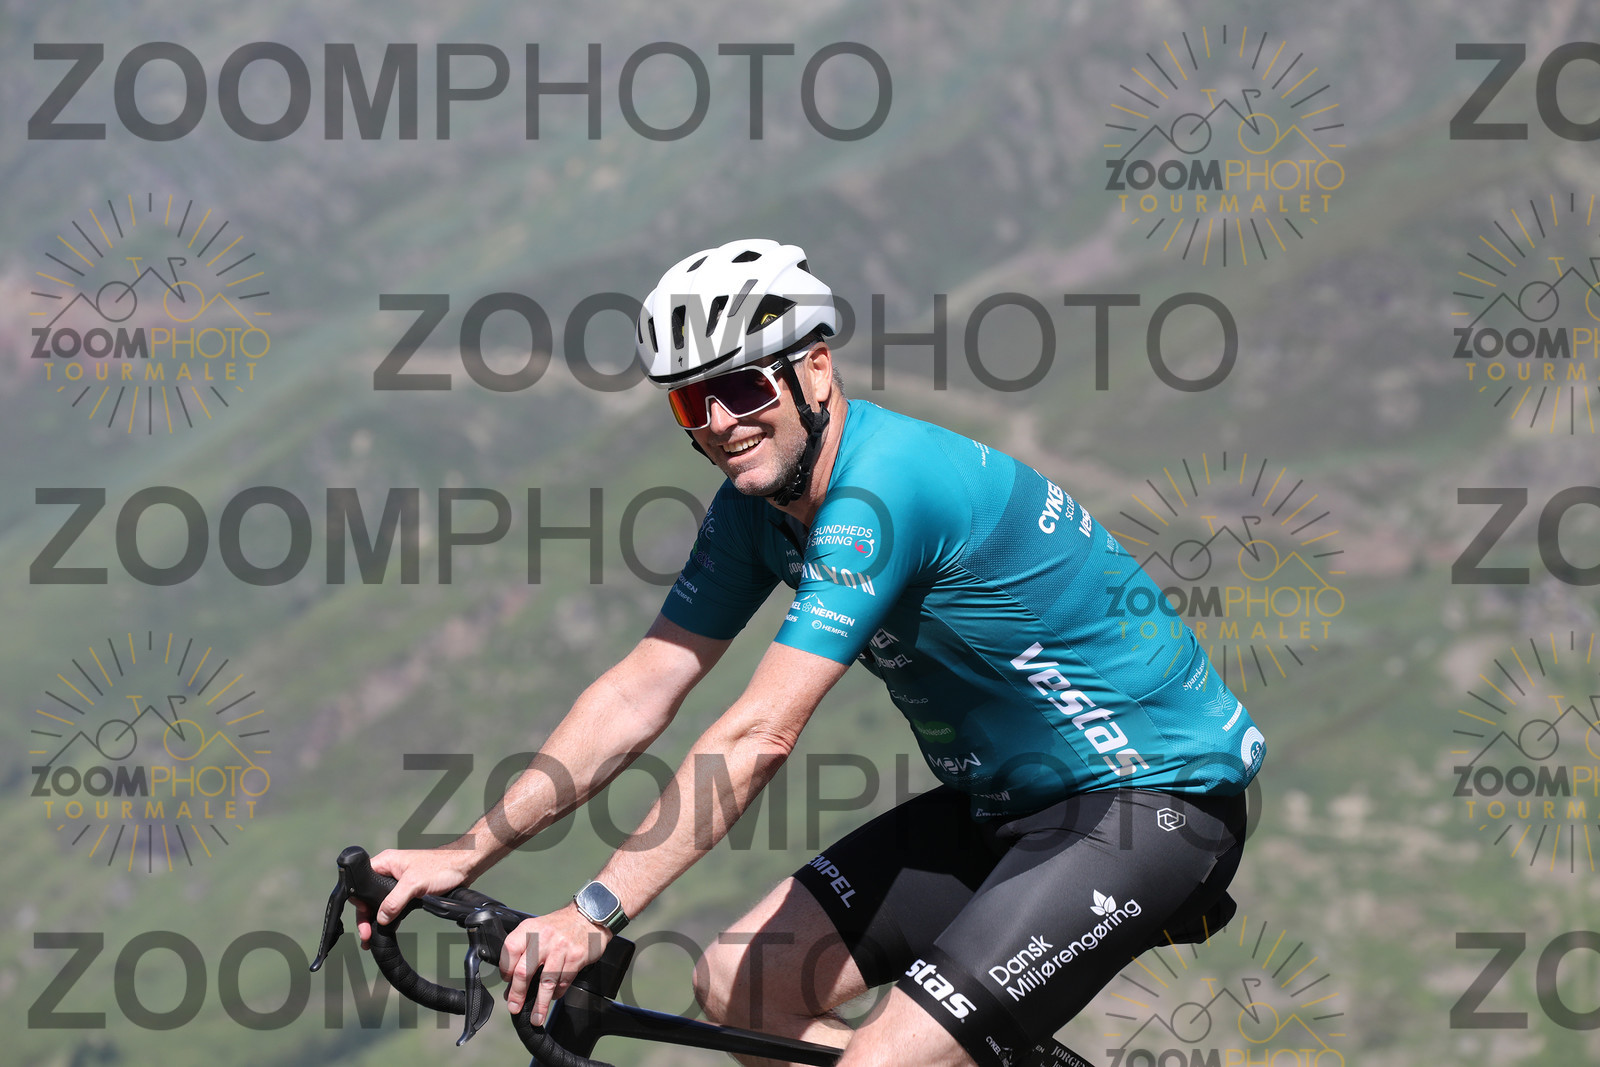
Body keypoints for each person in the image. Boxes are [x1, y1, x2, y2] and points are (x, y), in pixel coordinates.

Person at [357, 239, 1265, 1067]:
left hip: (1148, 803)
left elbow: (758, 735)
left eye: (744, 388)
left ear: (815, 371)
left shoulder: (884, 491)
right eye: (692, 401)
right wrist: (465, 854)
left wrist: (596, 911)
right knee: (740, 988)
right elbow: (642, 687)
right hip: (1003, 807)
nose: (721, 421)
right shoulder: (754, 513)